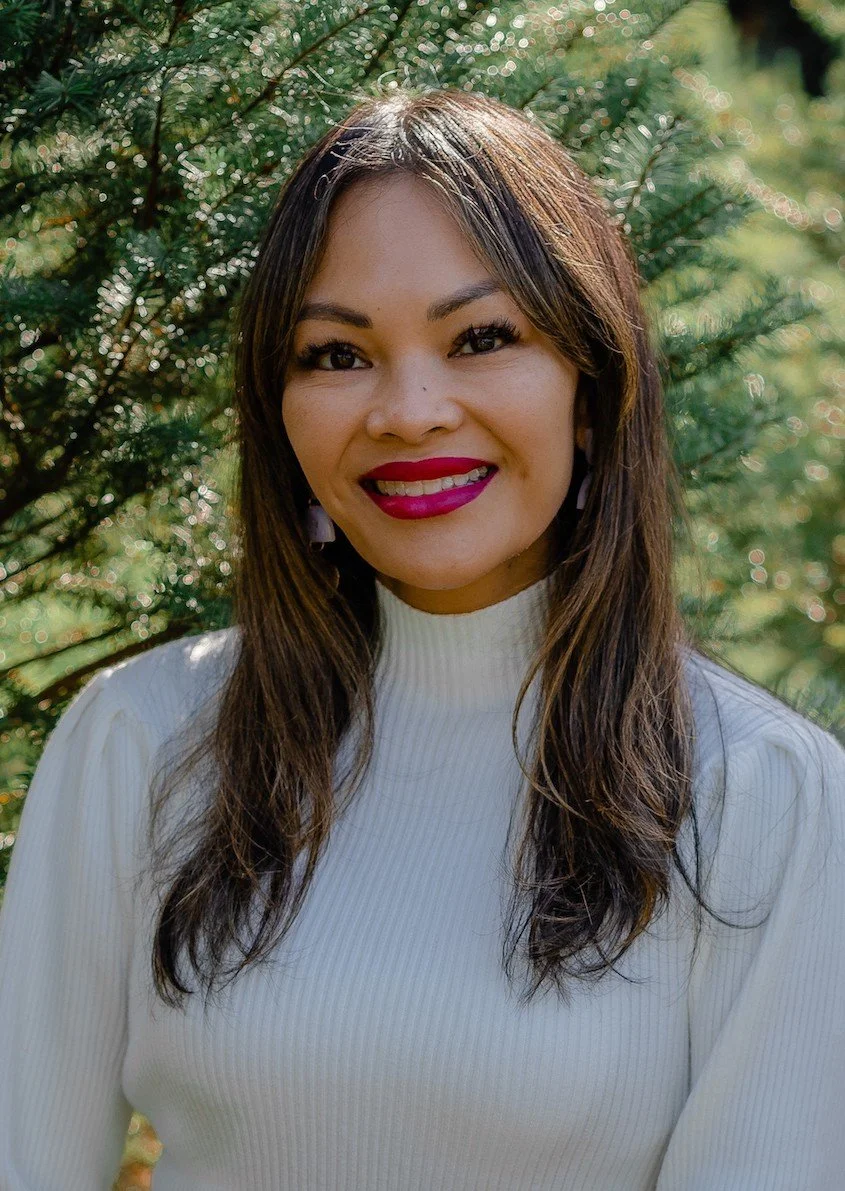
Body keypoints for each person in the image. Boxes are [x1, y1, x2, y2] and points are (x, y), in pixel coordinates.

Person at [0, 87, 843, 1191]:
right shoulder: (139, 741)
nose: (407, 410)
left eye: (481, 338)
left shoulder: (760, 795)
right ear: (280, 408)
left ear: (589, 390)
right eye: (335, 355)